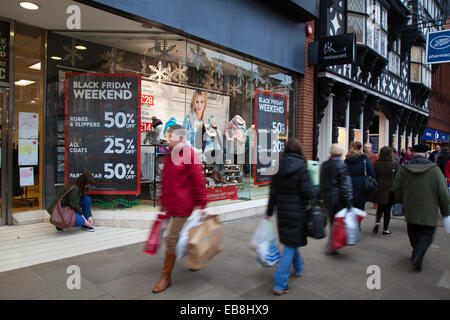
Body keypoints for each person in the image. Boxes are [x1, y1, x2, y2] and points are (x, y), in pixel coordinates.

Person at [153, 124, 208, 293]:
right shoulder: (169, 155)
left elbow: (198, 181)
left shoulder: (189, 155)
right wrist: (162, 200)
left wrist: (202, 204)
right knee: (181, 236)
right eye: (167, 137)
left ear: (181, 138)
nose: (167, 140)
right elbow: (167, 180)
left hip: (183, 205)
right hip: (172, 204)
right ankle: (195, 258)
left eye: (170, 137)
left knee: (171, 238)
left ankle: (166, 277)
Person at [266, 138, 317, 296]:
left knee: (291, 241)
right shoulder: (302, 167)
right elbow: (308, 192)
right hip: (297, 212)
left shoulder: (278, 167)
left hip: (283, 212)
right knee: (290, 245)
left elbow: (273, 192)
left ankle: (299, 266)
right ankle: (280, 283)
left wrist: (268, 212)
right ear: (299, 150)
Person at [393, 144, 449, 272]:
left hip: (410, 207)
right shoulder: (434, 170)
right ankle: (418, 253)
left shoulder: (403, 168)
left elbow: (396, 187)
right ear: (425, 154)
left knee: (413, 230)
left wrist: (401, 201)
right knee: (427, 234)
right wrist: (446, 211)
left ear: (413, 153)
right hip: (429, 209)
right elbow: (443, 193)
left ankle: (415, 249)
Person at [320, 143, 353, 256]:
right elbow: (345, 185)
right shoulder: (341, 165)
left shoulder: (324, 164)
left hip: (327, 197)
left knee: (332, 222)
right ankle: (332, 246)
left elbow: (322, 182)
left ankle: (332, 245)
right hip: (338, 198)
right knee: (336, 223)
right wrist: (348, 201)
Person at [372, 146, 399, 235]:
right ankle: (385, 229)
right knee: (387, 210)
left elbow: (373, 175)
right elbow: (398, 177)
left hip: (379, 188)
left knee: (380, 208)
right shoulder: (395, 164)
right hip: (390, 189)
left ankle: (377, 222)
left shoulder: (376, 163)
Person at [345, 141, 376, 210]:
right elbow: (372, 174)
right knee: (360, 208)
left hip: (349, 184)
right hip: (361, 185)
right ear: (360, 148)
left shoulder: (347, 160)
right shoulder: (364, 159)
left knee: (350, 208)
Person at [182, 91, 214, 159]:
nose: (199, 105)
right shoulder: (188, 119)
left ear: (205, 104)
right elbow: (185, 141)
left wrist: (206, 154)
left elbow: (210, 142)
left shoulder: (207, 121)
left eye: (202, 102)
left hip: (204, 158)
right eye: (197, 102)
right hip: (190, 157)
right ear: (194, 104)